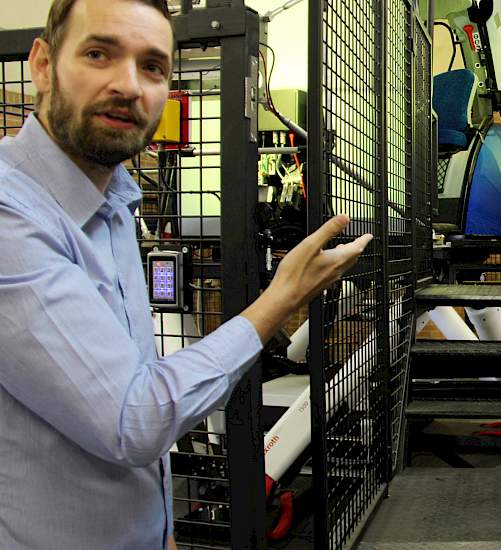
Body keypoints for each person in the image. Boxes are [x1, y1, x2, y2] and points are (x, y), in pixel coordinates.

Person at [0, 0, 373, 548]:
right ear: (41, 63)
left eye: (152, 66)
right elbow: (134, 418)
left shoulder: (115, 203)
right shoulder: (11, 217)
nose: (127, 85)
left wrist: (162, 528)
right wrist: (282, 296)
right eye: (99, 53)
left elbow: (129, 389)